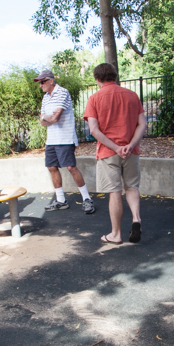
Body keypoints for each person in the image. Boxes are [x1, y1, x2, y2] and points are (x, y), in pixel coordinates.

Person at [84, 63, 147, 244]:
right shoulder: (132, 96)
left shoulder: (94, 99)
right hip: (131, 151)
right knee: (132, 187)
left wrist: (116, 147)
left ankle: (116, 234)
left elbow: (94, 130)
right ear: (115, 76)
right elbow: (142, 124)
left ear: (97, 79)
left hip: (108, 152)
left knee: (114, 192)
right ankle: (136, 219)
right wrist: (130, 144)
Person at [35, 70, 95, 214]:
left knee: (70, 167)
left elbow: (55, 118)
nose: (40, 85)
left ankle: (87, 199)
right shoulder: (45, 98)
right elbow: (42, 121)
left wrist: (46, 118)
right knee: (51, 167)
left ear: (51, 81)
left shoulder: (62, 92)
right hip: (51, 139)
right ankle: (61, 201)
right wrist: (47, 118)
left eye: (42, 82)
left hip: (65, 138)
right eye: (39, 82)